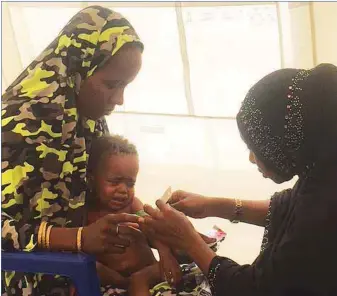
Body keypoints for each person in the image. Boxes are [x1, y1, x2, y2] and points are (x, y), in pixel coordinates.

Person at [140, 63, 337, 296]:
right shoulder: (323, 168)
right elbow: (291, 206)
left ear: (287, 142)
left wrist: (190, 241)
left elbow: (257, 288)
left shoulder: (325, 208)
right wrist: (212, 205)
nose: (253, 159)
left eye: (257, 148)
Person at [2, 6, 144, 296]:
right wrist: (76, 238)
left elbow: (95, 185)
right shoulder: (18, 126)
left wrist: (146, 219)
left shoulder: (85, 119)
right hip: (29, 274)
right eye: (111, 84)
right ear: (79, 69)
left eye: (126, 86)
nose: (119, 99)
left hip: (81, 266)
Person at [85, 135, 217, 296]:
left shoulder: (132, 204)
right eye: (115, 182)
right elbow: (92, 264)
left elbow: (152, 228)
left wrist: (165, 254)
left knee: (206, 272)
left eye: (130, 183)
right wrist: (121, 281)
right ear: (92, 180)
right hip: (119, 283)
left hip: (153, 272)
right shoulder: (87, 215)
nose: (123, 190)